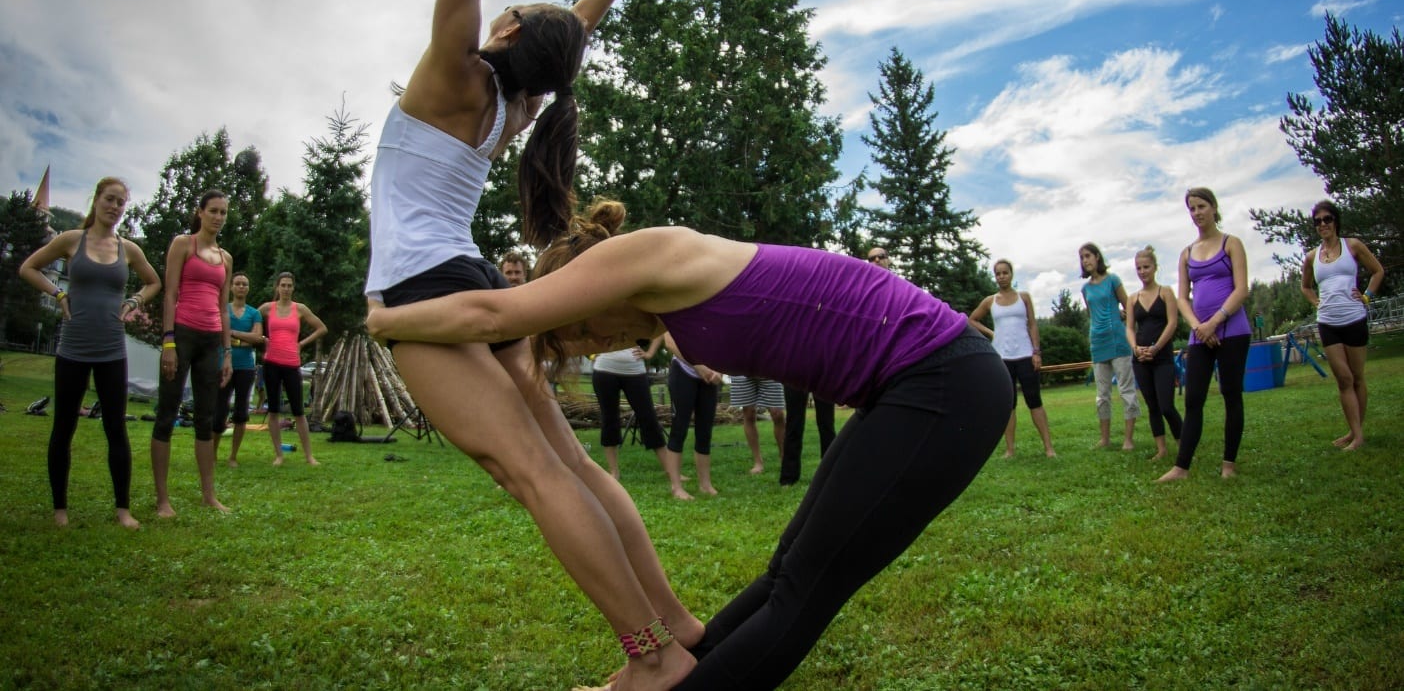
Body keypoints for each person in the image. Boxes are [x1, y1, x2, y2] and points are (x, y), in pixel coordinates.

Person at [366, 199, 1011, 691]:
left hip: (943, 381)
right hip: (908, 388)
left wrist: (389, 321)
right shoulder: (667, 309)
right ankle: (678, 666)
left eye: (584, 330)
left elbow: (495, 316)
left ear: (591, 289)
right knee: (788, 569)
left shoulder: (641, 257)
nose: (594, 347)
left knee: (806, 591)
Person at [362, 0, 694, 688]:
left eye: (506, 11)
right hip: (472, 278)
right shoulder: (518, 102)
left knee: (534, 476)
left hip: (425, 291)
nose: (496, 9)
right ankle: (675, 624)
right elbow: (567, 36)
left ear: (504, 32)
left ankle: (653, 658)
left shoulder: (457, 73)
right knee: (570, 466)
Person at [19, 177, 161, 528]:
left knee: (116, 428)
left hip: (112, 349)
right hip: (73, 348)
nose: (115, 207)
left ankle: (123, 509)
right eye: (110, 200)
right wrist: (59, 294)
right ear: (96, 200)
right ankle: (60, 510)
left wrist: (134, 300)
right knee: (63, 426)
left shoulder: (128, 248)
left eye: (121, 203)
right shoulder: (71, 240)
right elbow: (28, 267)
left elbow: (153, 281)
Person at [1158, 187, 1251, 482]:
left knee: (1231, 394)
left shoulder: (1231, 244)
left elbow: (1241, 288)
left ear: (1213, 208)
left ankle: (1228, 464)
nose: (1197, 213)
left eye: (1201, 206)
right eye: (1192, 209)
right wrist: (1199, 326)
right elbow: (1182, 298)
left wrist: (1216, 321)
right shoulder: (1186, 254)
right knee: (1193, 398)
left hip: (1233, 331)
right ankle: (1181, 467)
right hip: (1200, 334)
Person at [152, 190, 233, 516]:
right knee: (167, 414)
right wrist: (168, 342)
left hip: (211, 339)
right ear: (200, 212)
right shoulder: (183, 245)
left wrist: (227, 352)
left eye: (223, 212)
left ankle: (209, 495)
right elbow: (170, 295)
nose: (218, 217)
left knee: (206, 417)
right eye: (213, 210)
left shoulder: (225, 258)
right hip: (182, 335)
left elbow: (224, 308)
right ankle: (162, 500)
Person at [1300, 200, 1385, 451]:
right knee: (1344, 379)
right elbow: (1305, 286)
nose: (1323, 224)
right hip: (1328, 322)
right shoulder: (1312, 257)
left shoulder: (1353, 246)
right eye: (1318, 222)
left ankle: (1355, 432)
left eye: (1327, 219)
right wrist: (1316, 301)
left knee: (1357, 377)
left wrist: (1367, 295)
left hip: (1354, 318)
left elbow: (1377, 271)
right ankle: (1357, 435)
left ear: (1335, 221)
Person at [968, 259, 1055, 458]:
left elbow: (1032, 324)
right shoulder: (990, 301)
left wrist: (1036, 352)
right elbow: (971, 320)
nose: (1001, 277)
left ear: (1011, 274)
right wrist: (991, 333)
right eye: (998, 274)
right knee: (1009, 405)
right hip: (1002, 358)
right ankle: (1010, 450)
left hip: (1025, 355)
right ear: (995, 276)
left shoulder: (1023, 297)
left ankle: (1049, 448)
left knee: (1035, 401)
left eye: (1005, 273)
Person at [258, 272, 327, 466]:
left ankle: (309, 456)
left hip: (291, 364)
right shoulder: (267, 308)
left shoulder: (300, 309)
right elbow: (250, 319)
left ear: (293, 288)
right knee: (273, 410)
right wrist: (261, 338)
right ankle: (279, 455)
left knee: (299, 411)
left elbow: (322, 328)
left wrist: (301, 344)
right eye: (283, 285)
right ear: (277, 288)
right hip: (271, 363)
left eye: (289, 286)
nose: (286, 289)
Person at [1079, 242, 1139, 450]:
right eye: (1082, 258)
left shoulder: (1113, 280)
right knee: (1101, 395)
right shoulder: (1085, 289)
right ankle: (1104, 439)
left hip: (1118, 341)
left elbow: (1128, 305)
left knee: (1126, 391)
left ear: (1097, 257)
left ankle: (1128, 440)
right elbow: (1091, 314)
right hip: (1098, 343)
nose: (1085, 260)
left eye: (1088, 256)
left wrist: (1126, 324)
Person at [1125, 246, 1182, 460]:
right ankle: (1161, 449)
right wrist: (1135, 348)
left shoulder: (1165, 292)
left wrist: (1156, 347)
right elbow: (1130, 327)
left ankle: (1182, 444)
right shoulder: (1132, 298)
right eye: (1138, 268)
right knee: (1153, 406)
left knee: (1167, 405)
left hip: (1162, 357)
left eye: (1146, 267)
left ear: (1155, 268)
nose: (1142, 272)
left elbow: (1173, 322)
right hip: (1140, 358)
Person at [590, 337, 668, 479]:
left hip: (635, 370)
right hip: (605, 369)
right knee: (609, 419)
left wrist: (649, 353)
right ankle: (614, 472)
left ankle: (670, 470)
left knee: (648, 418)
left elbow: (659, 330)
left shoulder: (640, 315)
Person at [661, 332, 722, 500]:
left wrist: (718, 370)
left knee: (705, 431)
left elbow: (722, 341)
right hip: (683, 372)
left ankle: (705, 484)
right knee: (679, 429)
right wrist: (698, 366)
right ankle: (676, 487)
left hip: (709, 377)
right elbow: (669, 342)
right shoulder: (676, 308)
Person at [214, 271, 264, 466]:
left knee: (241, 411)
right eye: (238, 283)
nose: (241, 287)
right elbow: (218, 334)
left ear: (248, 288)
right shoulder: (223, 309)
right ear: (231, 287)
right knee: (219, 410)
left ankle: (233, 456)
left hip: (245, 367)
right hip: (222, 365)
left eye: (245, 284)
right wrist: (244, 339)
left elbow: (258, 338)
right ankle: (213, 453)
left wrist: (232, 333)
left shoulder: (254, 313)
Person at [779, 386, 835, 486]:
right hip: (796, 373)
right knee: (793, 425)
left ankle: (831, 473)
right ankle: (788, 477)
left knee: (827, 425)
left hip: (823, 373)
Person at [731, 375, 786, 476]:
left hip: (769, 367)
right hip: (742, 371)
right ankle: (758, 462)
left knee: (777, 413)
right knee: (749, 413)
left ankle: (784, 458)